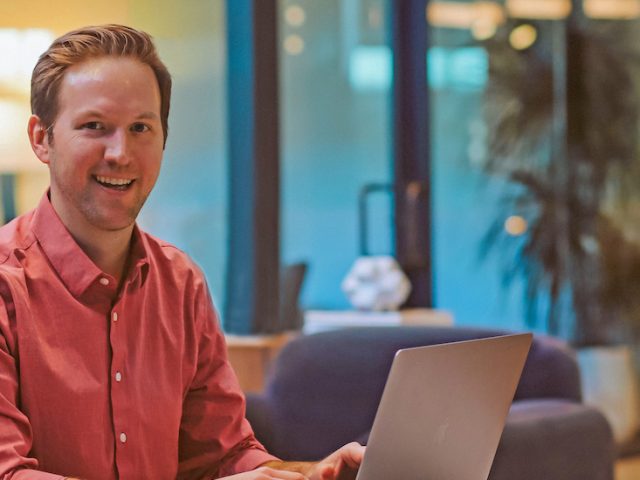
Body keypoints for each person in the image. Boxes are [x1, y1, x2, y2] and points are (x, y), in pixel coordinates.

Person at [0, 24, 364, 480]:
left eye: (140, 128)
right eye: (94, 127)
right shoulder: (5, 288)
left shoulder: (181, 282)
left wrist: (309, 474)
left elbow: (224, 457)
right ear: (41, 139)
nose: (121, 152)